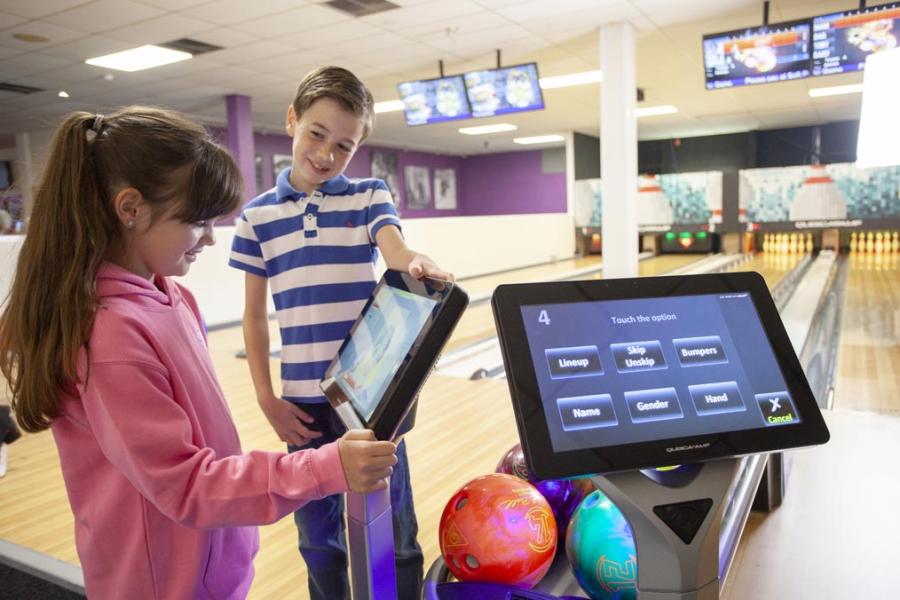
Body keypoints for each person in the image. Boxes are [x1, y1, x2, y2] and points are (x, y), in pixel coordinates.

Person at [0, 107, 398, 600]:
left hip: (208, 566)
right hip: (161, 584)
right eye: (198, 221)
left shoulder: (173, 295)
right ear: (131, 208)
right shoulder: (110, 338)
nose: (211, 237)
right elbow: (187, 485)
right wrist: (325, 467)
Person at [229, 66, 453, 600]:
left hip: (370, 399)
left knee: (396, 531)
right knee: (319, 539)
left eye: (345, 146)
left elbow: (394, 247)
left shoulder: (369, 195)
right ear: (292, 121)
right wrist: (266, 398)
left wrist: (411, 261)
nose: (327, 154)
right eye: (317, 134)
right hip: (302, 407)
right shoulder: (256, 218)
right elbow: (254, 318)